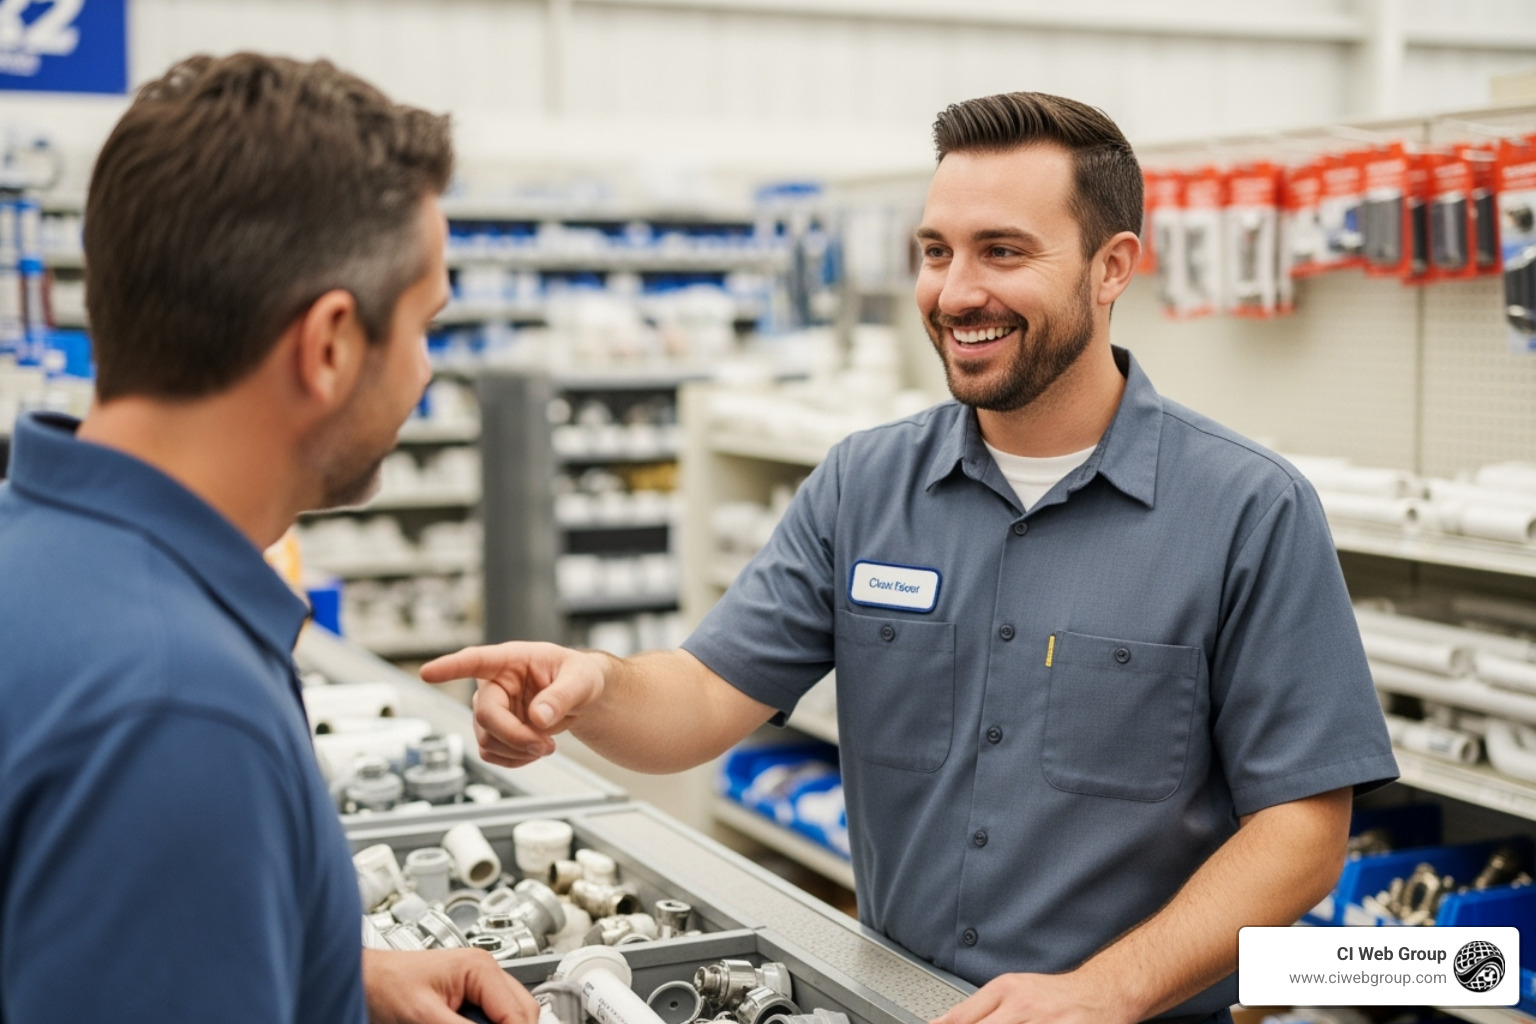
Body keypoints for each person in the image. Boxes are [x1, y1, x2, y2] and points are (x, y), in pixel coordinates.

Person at [423, 92, 1398, 1024]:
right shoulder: (863, 486)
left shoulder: (1248, 511)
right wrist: (591, 683)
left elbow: (1304, 831)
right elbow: (700, 699)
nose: (956, 290)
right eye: (937, 251)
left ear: (1113, 267)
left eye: (1002, 251)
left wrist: (1108, 990)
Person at [0, 54, 537, 1024]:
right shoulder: (175, 709)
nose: (424, 373)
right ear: (329, 345)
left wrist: (329, 970)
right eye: (424, 325)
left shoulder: (39, 556)